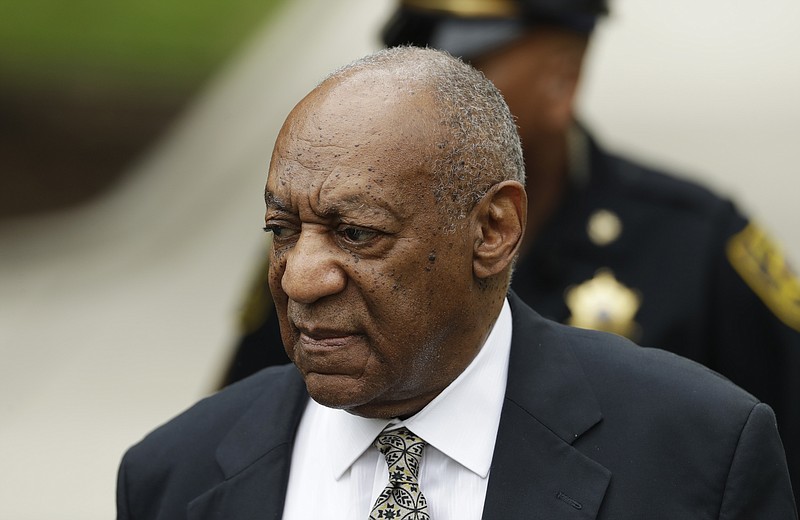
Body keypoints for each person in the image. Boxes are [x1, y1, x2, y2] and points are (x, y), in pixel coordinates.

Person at [117, 47, 797, 519]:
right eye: (282, 230)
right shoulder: (173, 475)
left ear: (493, 229)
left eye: (356, 233)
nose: (300, 279)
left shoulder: (698, 457)